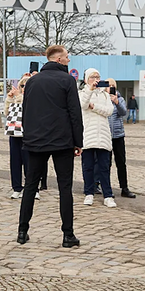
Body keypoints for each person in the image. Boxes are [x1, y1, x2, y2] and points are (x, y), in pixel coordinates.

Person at [17, 45, 84, 247]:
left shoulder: (32, 82)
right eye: (66, 57)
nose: (68, 60)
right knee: (65, 188)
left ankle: (22, 231)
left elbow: (26, 111)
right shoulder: (67, 81)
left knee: (30, 186)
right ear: (58, 59)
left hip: (36, 141)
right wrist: (78, 141)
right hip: (62, 141)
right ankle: (68, 235)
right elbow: (75, 113)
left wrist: (28, 137)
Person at [79, 68, 116, 207]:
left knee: (104, 167)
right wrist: (89, 89)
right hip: (88, 134)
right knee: (87, 166)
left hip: (103, 135)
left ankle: (108, 195)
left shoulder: (105, 95)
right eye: (92, 77)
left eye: (98, 77)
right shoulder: (82, 93)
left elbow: (109, 111)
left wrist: (94, 107)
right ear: (86, 79)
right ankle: (89, 193)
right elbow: (83, 104)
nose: (96, 79)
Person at [5, 76, 42, 199]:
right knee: (15, 162)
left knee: (30, 163)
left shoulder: (35, 97)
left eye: (27, 85)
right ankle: (16, 187)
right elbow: (7, 113)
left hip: (30, 134)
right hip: (15, 133)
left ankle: (33, 188)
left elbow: (28, 105)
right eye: (22, 86)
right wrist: (10, 99)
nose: (24, 88)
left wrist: (18, 97)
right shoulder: (16, 98)